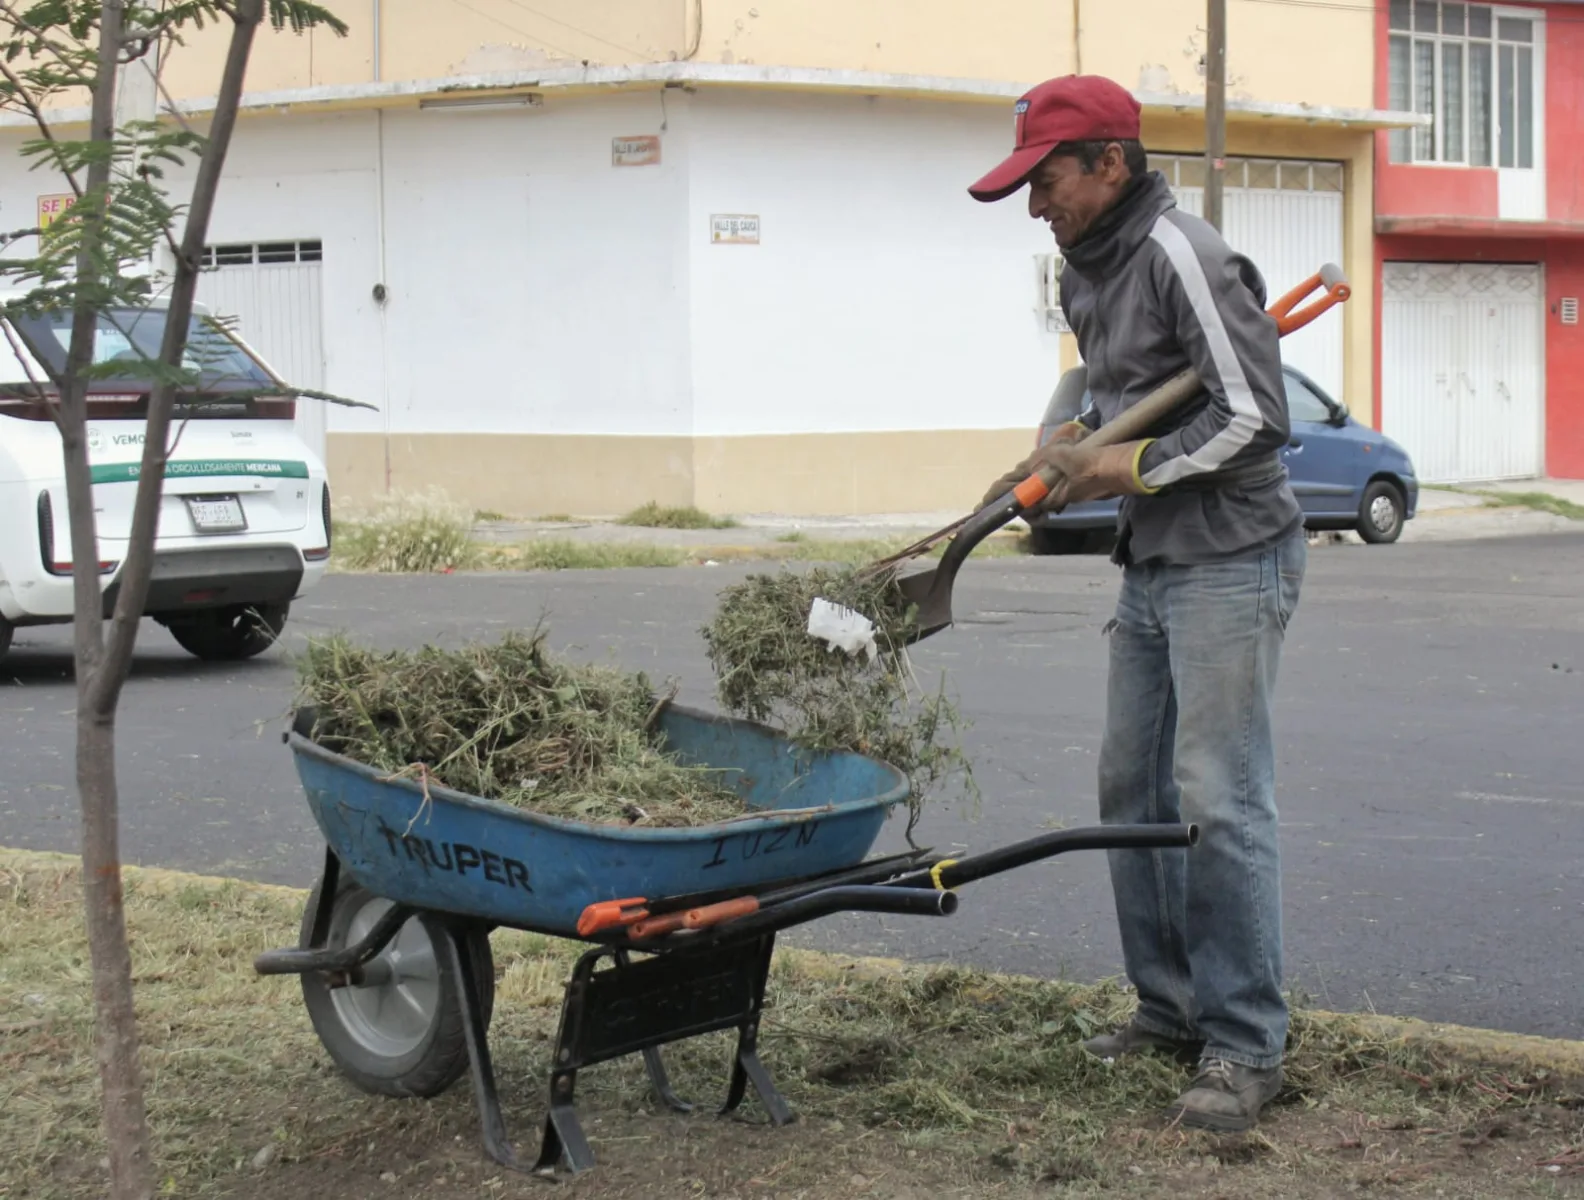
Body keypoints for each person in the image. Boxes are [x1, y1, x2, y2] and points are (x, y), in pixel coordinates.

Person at [970, 74, 1307, 1133]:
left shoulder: (1182, 255)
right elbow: (1096, 380)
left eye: (1047, 179)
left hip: (1230, 554)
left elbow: (1258, 418)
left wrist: (1125, 470)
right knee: (1131, 790)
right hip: (1153, 564)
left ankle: (1248, 1044)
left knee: (1216, 798)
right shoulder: (1089, 263)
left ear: (1110, 163)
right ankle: (1168, 1009)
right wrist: (1055, 436)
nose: (1036, 203)